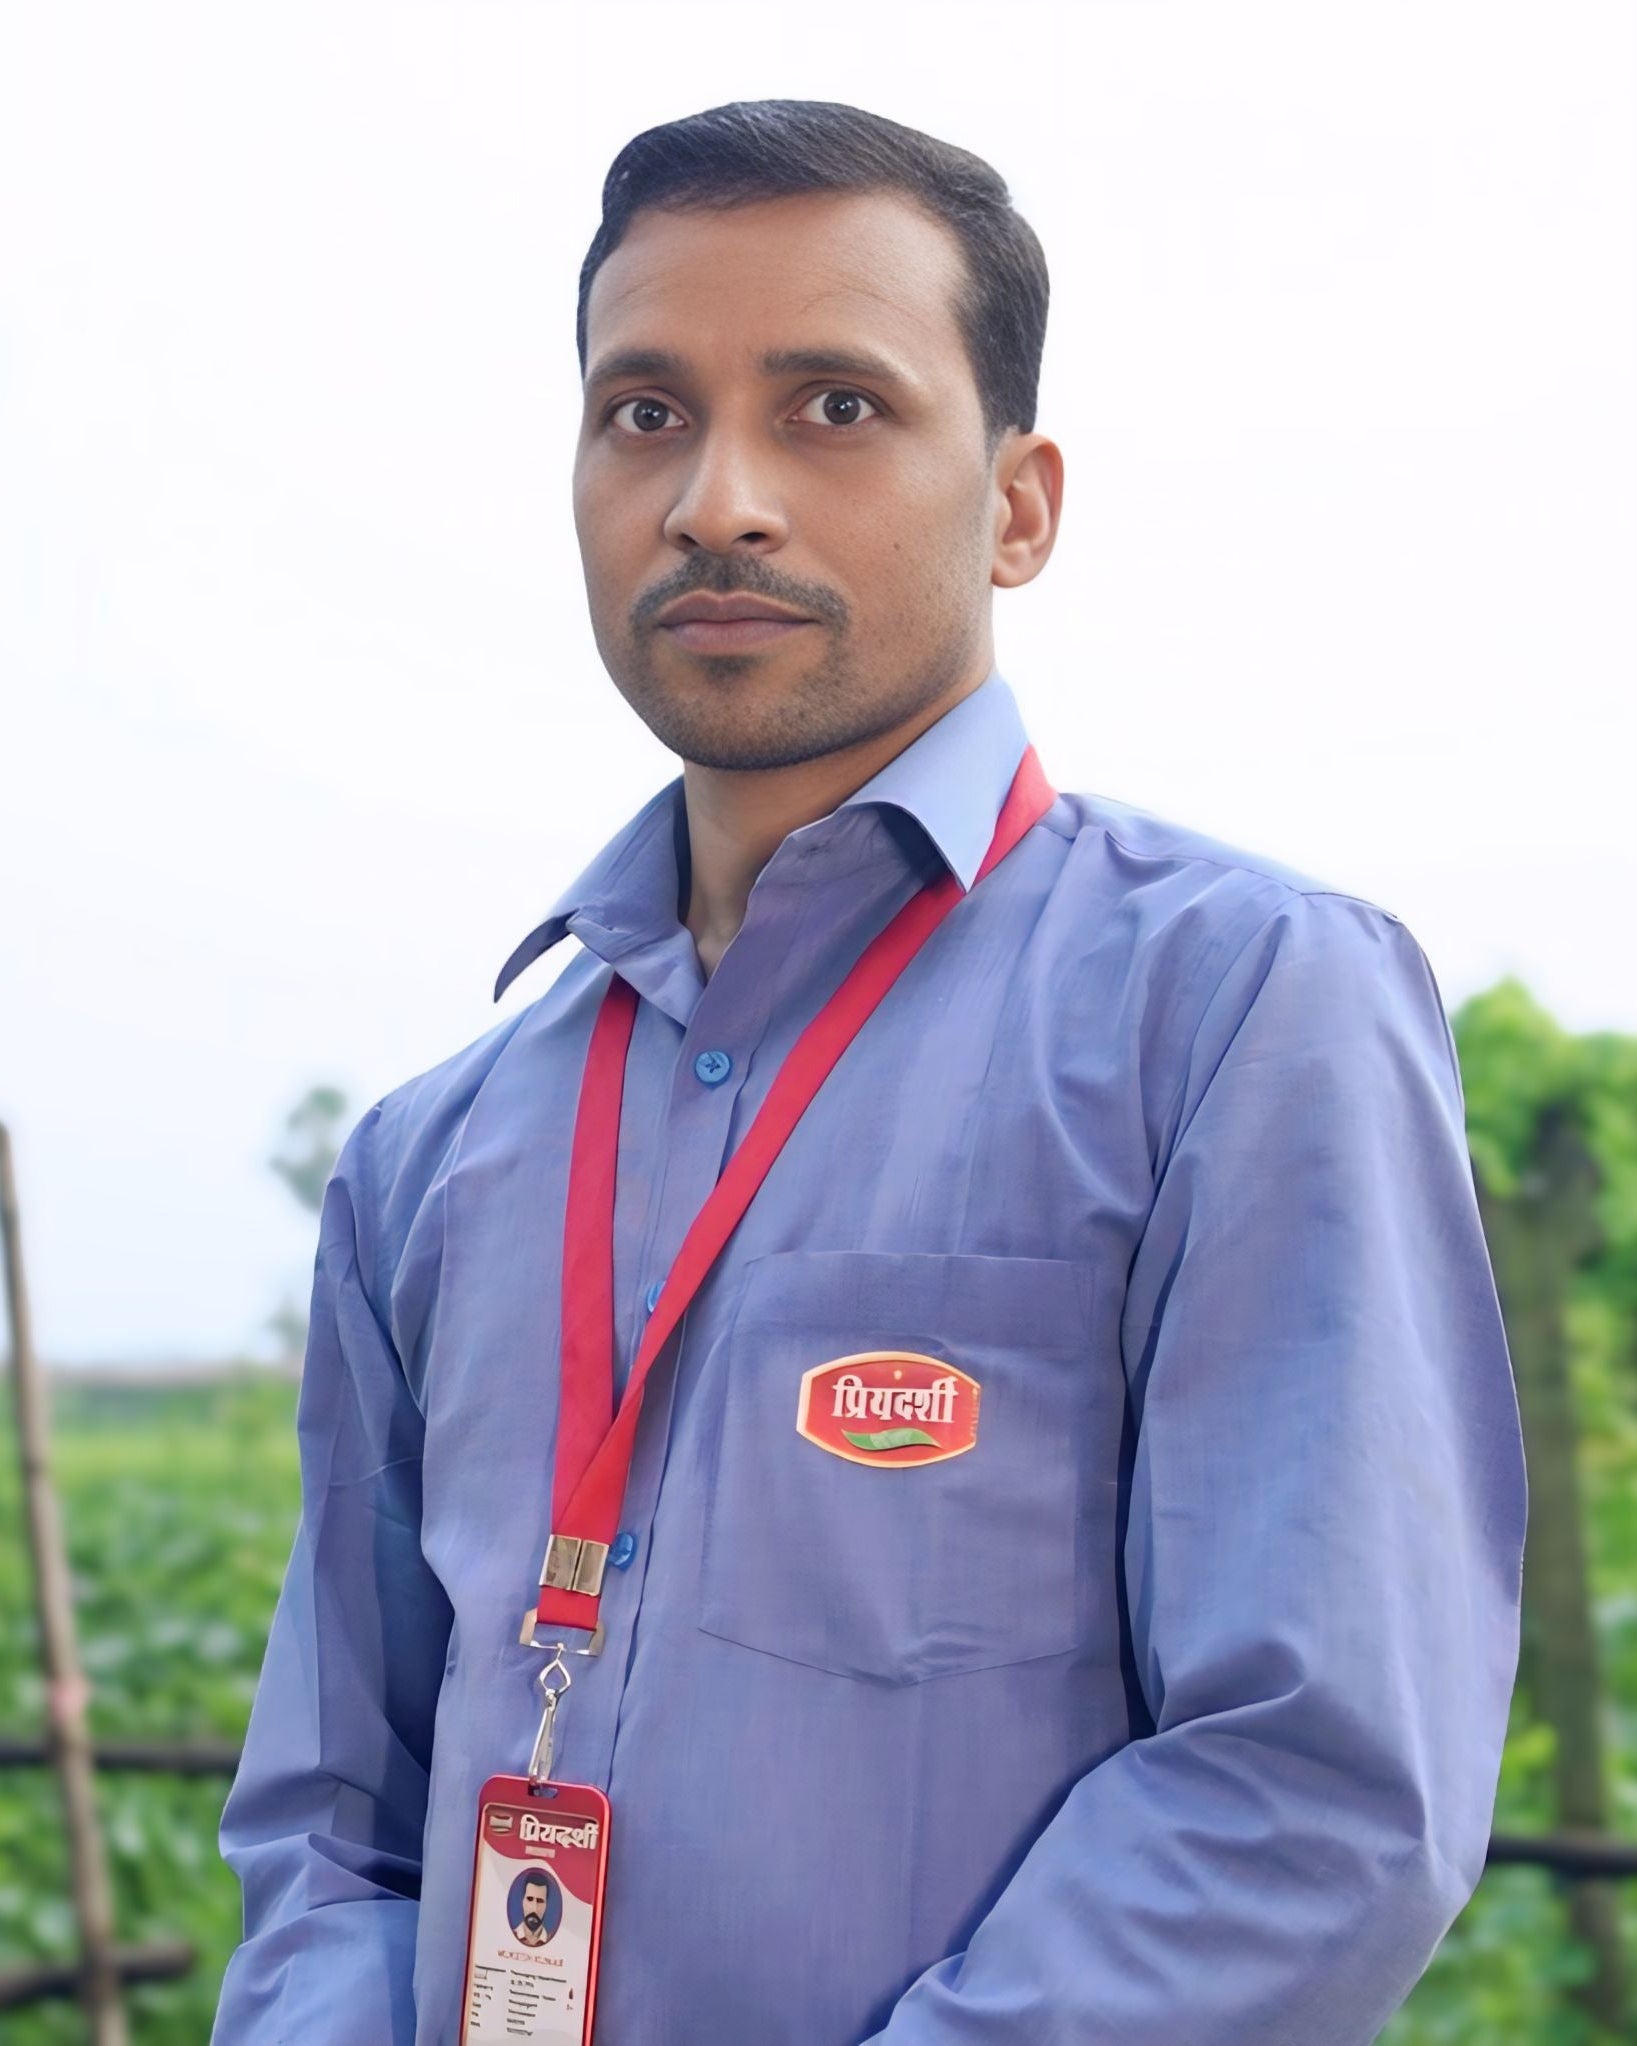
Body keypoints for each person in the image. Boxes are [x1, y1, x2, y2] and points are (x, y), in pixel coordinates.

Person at [212, 98, 1526, 2046]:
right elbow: (331, 1827)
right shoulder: (437, 1155)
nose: (715, 498)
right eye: (645, 411)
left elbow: (1314, 1795)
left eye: (834, 407)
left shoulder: (1240, 1015)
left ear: (1019, 503)